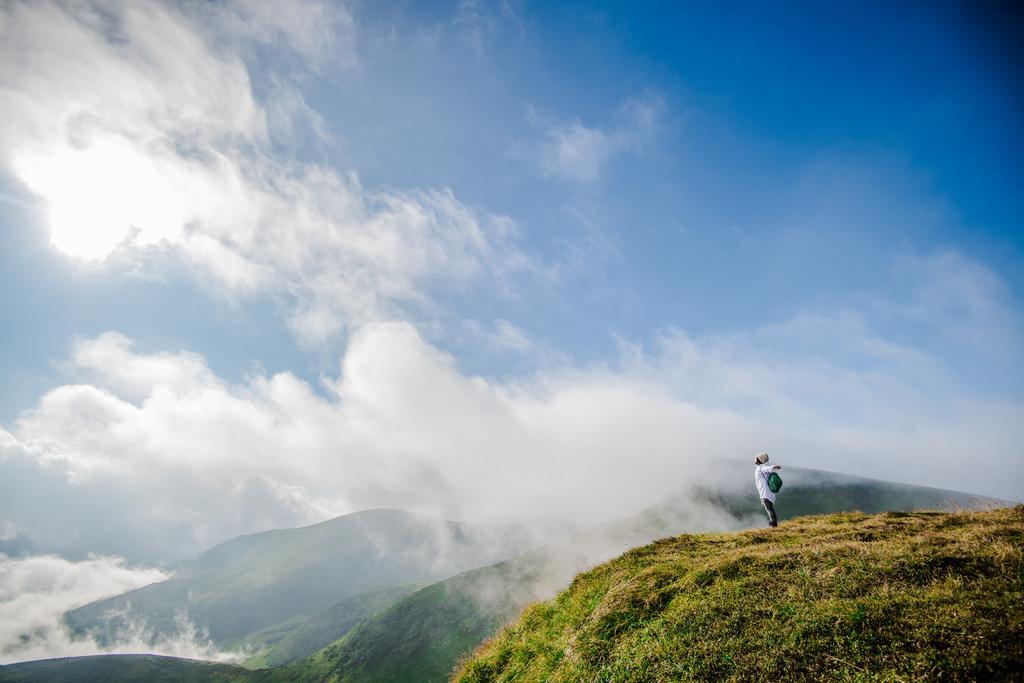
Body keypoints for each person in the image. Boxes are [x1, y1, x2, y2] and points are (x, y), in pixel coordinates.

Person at [754, 452, 782, 527]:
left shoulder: (761, 468)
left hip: (765, 493)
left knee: (769, 509)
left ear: (759, 460)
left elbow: (766, 469)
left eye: (756, 458)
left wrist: (774, 467)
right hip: (768, 492)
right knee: (769, 508)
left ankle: (773, 523)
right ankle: (773, 523)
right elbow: (768, 469)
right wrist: (774, 467)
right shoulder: (763, 467)